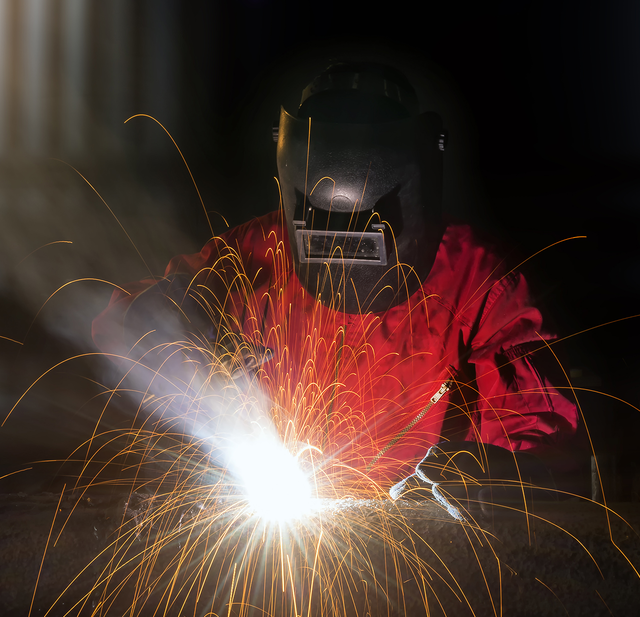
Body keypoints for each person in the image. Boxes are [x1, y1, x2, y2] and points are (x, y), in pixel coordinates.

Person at [91, 62, 578, 514]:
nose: (344, 242)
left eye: (367, 222)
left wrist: (463, 479)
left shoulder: (478, 279)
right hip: (280, 540)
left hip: (424, 540)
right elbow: (122, 331)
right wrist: (165, 319)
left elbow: (543, 426)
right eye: (324, 220)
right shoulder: (250, 254)